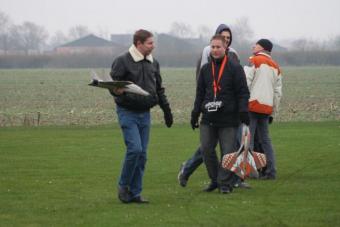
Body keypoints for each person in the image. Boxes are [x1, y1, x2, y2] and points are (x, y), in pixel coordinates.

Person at [178, 24, 250, 190]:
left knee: (227, 152)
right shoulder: (204, 69)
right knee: (206, 150)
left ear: (225, 48)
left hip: (228, 118)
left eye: (218, 47)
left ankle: (225, 184)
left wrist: (243, 110)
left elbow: (243, 92)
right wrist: (195, 114)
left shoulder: (235, 68)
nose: (215, 50)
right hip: (208, 118)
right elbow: (200, 94)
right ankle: (215, 180)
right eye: (213, 47)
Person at [110, 29, 173, 203]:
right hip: (127, 112)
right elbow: (113, 88)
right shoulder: (122, 61)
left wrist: (167, 111)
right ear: (139, 44)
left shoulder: (154, 63)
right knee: (135, 150)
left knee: (142, 154)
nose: (153, 46)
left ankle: (136, 193)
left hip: (145, 114)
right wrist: (120, 94)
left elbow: (159, 89)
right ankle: (123, 187)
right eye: (150, 43)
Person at [243, 39, 282, 180]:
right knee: (266, 140)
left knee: (249, 139)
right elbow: (278, 92)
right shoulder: (276, 66)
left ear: (263, 48)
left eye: (256, 44)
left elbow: (245, 82)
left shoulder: (254, 60)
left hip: (252, 105)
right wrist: (273, 110)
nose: (253, 46)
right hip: (266, 108)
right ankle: (271, 171)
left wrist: (242, 103)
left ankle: (251, 171)